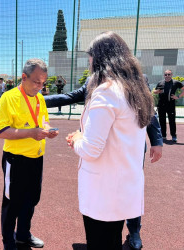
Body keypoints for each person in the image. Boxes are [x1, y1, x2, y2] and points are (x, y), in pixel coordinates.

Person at [45, 74, 162, 250]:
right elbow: (72, 96)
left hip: (128, 153)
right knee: (104, 200)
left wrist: (157, 141)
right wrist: (37, 99)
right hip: (100, 150)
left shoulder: (137, 78)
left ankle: (134, 231)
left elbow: (148, 110)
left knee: (128, 191)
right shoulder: (93, 78)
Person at [66, 32, 155, 250]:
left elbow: (90, 149)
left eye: (90, 57)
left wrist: (76, 137)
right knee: (112, 241)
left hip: (103, 192)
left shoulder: (106, 92)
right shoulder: (134, 90)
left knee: (101, 243)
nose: (88, 62)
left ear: (99, 58)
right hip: (123, 187)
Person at [0, 58, 58, 250]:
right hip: (16, 160)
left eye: (43, 83)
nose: (40, 87)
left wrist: (48, 130)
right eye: (36, 82)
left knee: (31, 201)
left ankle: (23, 235)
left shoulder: (39, 98)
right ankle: (8, 242)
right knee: (11, 203)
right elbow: (1, 132)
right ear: (24, 77)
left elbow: (43, 121)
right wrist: (32, 132)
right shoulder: (8, 98)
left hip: (36, 158)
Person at [153, 69, 184, 142]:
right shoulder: (160, 83)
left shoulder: (176, 83)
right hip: (161, 105)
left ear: (171, 75)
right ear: (164, 75)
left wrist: (178, 97)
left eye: (169, 74)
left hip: (171, 105)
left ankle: (173, 136)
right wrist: (157, 91)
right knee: (162, 121)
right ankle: (163, 136)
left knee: (172, 121)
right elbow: (154, 91)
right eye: (165, 74)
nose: (167, 76)